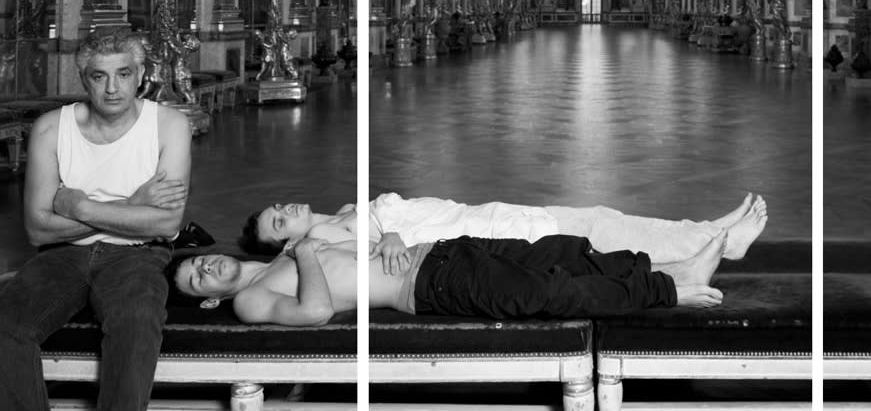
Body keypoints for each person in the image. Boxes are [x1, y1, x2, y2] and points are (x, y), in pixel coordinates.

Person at [0, 29, 193, 410]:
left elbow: (165, 224)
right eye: (99, 76)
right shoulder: (52, 127)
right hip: (61, 254)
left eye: (123, 74)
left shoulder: (168, 124)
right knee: (5, 327)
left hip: (138, 254)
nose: (112, 88)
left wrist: (81, 208)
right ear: (83, 79)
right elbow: (38, 229)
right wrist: (132, 204)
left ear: (140, 75)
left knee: (136, 321)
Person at [172, 232, 728, 325]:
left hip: (438, 252)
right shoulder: (251, 300)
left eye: (198, 262)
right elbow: (316, 311)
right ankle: (668, 291)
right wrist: (310, 255)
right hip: (427, 288)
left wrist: (390, 236)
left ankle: (673, 269)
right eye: (198, 281)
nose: (205, 269)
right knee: (544, 293)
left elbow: (369, 240)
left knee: (563, 251)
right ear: (209, 301)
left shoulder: (283, 253)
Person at [241, 192, 768, 270]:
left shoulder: (339, 213)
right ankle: (720, 242)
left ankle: (711, 231)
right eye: (280, 221)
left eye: (278, 206)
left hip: (478, 215)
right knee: (603, 231)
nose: (287, 209)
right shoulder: (321, 242)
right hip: (485, 234)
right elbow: (374, 253)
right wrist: (389, 237)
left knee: (604, 221)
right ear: (288, 242)